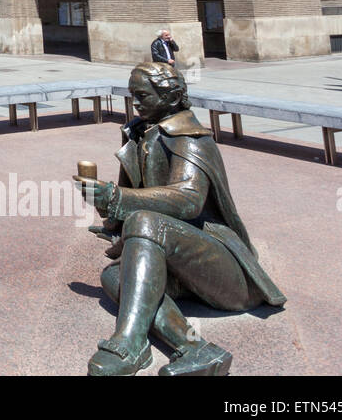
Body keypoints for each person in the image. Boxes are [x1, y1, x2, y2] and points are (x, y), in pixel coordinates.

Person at [75, 62, 284, 376]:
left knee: (145, 223)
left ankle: (129, 343)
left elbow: (188, 200)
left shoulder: (189, 136)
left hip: (224, 271)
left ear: (169, 96)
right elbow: (142, 201)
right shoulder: (140, 133)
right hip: (181, 266)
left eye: (143, 96)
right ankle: (196, 348)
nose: (136, 103)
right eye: (133, 96)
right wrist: (111, 217)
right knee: (114, 277)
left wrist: (119, 198)